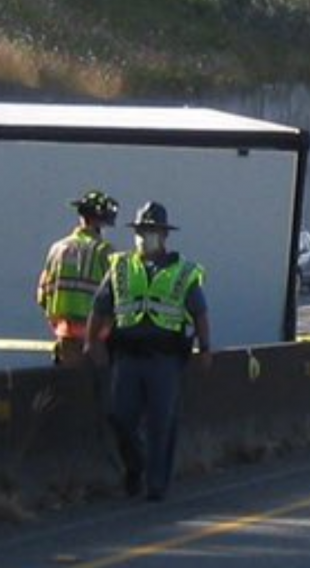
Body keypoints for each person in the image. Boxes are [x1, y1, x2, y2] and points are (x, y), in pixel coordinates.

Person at [85, 201, 212, 502]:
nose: (145, 236)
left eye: (151, 230)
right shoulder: (121, 267)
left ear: (164, 235)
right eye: (142, 230)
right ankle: (135, 466)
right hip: (127, 357)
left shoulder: (183, 272)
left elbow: (200, 313)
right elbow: (100, 307)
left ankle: (156, 484)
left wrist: (205, 347)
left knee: (160, 421)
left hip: (164, 359)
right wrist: (92, 341)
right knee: (120, 416)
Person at [37, 190, 119, 366]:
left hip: (65, 335)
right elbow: (118, 295)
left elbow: (42, 295)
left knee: (71, 388)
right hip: (97, 340)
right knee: (99, 389)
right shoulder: (104, 252)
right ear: (102, 223)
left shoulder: (57, 249)